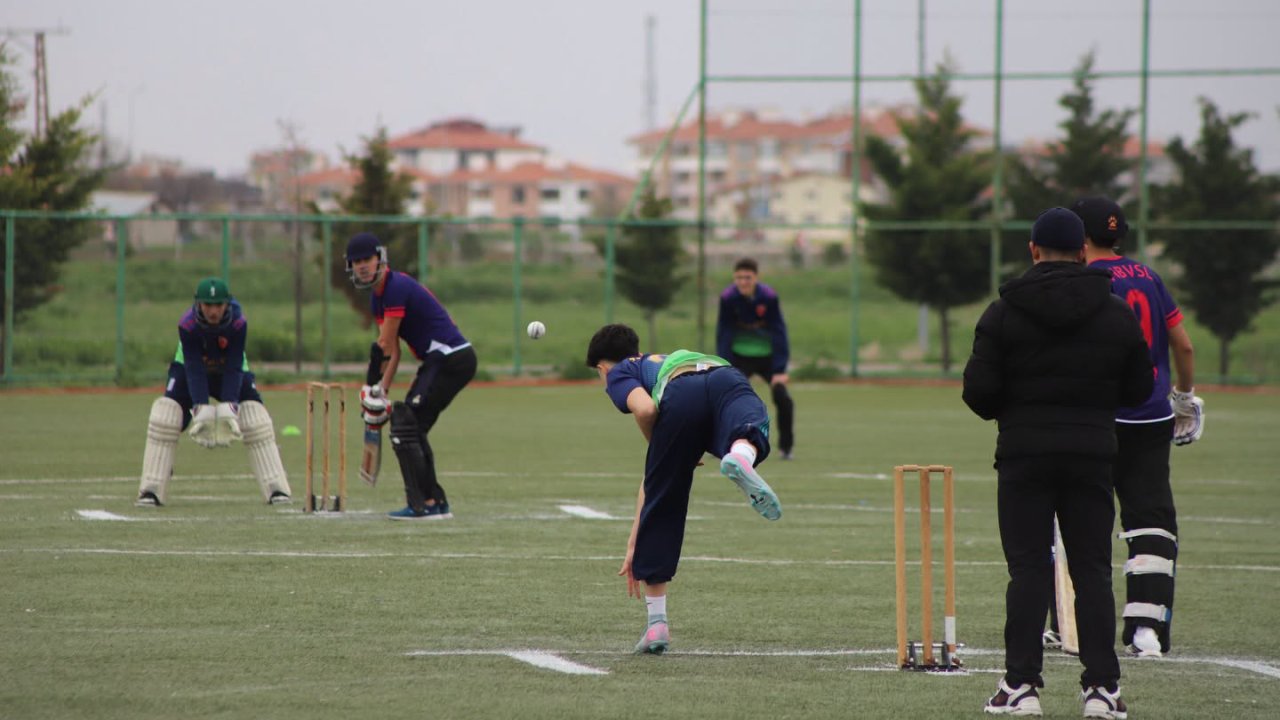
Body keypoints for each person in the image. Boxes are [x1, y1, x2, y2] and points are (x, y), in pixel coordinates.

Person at [962, 208, 1153, 718]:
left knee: (1027, 570)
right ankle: (1102, 689)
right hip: (1092, 454)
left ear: (1033, 250)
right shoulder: (1114, 312)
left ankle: (1021, 686)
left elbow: (978, 394)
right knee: (1092, 570)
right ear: (1084, 251)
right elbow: (1138, 389)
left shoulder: (1003, 311)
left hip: (1024, 454)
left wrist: (1016, 408)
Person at [585, 323, 782, 655]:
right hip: (724, 375)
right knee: (752, 424)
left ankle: (656, 625)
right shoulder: (664, 358)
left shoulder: (622, 372)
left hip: (681, 395)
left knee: (665, 502)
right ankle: (740, 456)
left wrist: (659, 443)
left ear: (603, 368)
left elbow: (645, 410)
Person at [1073, 195, 1202, 658]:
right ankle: (1146, 629)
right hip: (1151, 415)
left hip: (1098, 416)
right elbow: (1182, 347)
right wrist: (1184, 398)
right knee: (1150, 519)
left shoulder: (1085, 279)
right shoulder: (1148, 276)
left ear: (1081, 238)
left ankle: (1068, 625)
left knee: (1078, 515)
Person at [345, 232, 476, 521]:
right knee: (412, 427)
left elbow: (382, 345)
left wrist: (369, 386)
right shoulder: (378, 298)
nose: (362, 266)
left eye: (366, 259)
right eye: (356, 262)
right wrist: (381, 391)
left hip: (450, 358)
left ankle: (424, 504)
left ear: (380, 258)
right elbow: (393, 351)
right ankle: (436, 503)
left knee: (406, 427)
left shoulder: (395, 288)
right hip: (442, 360)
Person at [136, 277, 291, 506]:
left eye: (218, 305)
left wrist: (229, 405)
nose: (213, 311)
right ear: (198, 304)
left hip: (229, 368)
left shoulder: (238, 323)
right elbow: (194, 367)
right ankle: (152, 487)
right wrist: (199, 407)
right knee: (166, 415)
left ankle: (277, 489)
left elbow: (234, 364)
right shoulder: (187, 325)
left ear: (227, 304)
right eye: (208, 305)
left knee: (255, 416)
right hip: (189, 367)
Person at [716, 257, 796, 459]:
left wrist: (779, 369)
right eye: (739, 278)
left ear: (756, 278)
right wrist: (725, 366)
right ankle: (719, 444)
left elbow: (779, 331)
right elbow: (724, 332)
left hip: (767, 357)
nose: (743, 282)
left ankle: (785, 448)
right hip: (740, 357)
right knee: (724, 398)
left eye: (748, 278)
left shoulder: (768, 297)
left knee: (782, 398)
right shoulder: (727, 298)